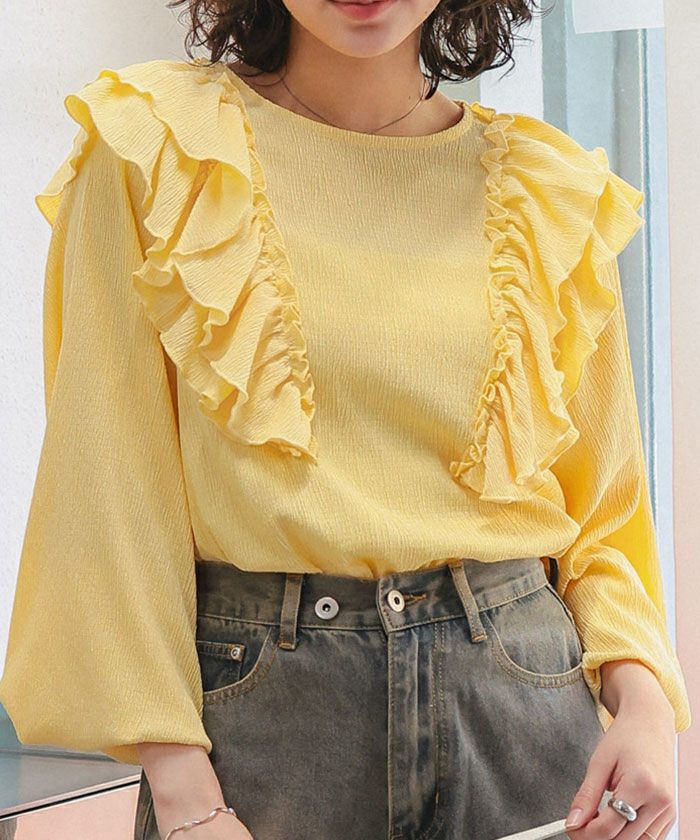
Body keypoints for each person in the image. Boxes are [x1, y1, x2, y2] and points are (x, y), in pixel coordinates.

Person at [0, 0, 691, 838]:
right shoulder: (160, 146)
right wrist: (183, 792)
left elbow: (604, 515)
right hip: (266, 735)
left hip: (525, 716)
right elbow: (106, 487)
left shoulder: (547, 186)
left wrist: (645, 707)